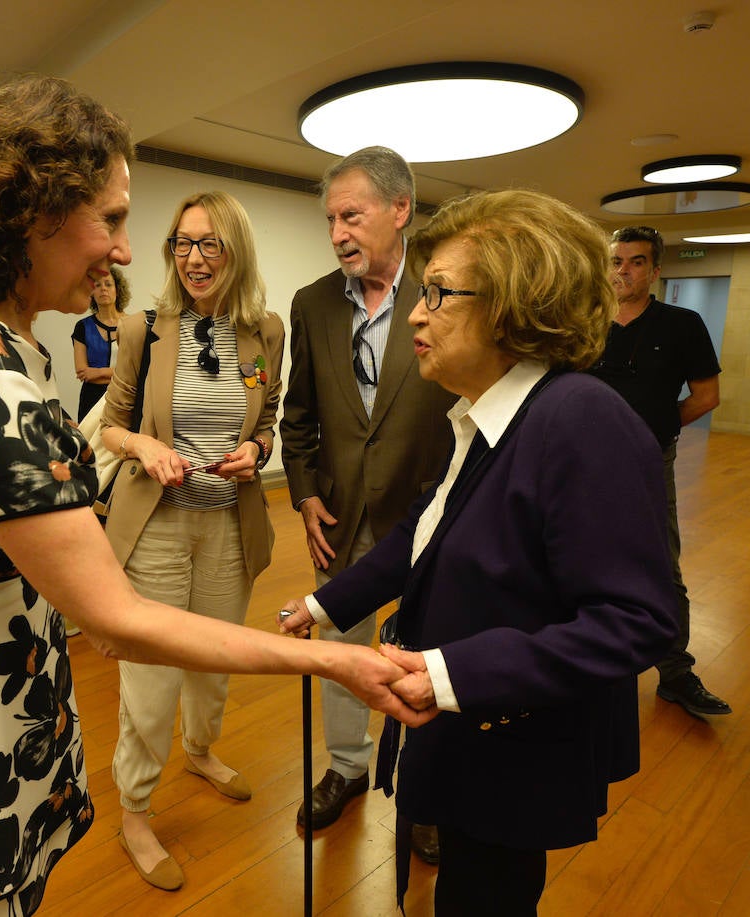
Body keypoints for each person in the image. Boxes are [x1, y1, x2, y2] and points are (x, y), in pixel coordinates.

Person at [0, 75, 428, 917]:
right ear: (32, 210)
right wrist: (336, 655)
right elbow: (116, 618)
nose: (124, 248)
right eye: (109, 219)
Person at [279, 189, 678, 914]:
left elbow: (640, 620)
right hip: (468, 729)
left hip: (514, 743)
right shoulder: (484, 413)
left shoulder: (581, 419)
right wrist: (321, 602)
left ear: (515, 304)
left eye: (437, 292)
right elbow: (423, 531)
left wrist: (445, 672)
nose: (416, 313)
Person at [97, 191, 285, 891]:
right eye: (183, 242)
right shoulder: (145, 328)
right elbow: (111, 424)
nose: (195, 258)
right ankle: (136, 808)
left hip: (229, 523)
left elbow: (268, 413)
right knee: (150, 678)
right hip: (158, 526)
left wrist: (258, 448)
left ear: (235, 252)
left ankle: (201, 751)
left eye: (210, 244)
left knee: (214, 662)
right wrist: (143, 444)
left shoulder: (267, 330)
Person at [280, 146, 454, 861]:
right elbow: (299, 416)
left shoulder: (446, 293)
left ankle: (426, 792)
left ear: (399, 210)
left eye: (350, 216)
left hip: (435, 517)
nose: (338, 233)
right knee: (343, 654)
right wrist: (305, 492)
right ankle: (347, 766)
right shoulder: (313, 303)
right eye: (330, 220)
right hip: (342, 520)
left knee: (430, 665)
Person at [589, 225, 731, 718]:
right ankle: (584, 660)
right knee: (574, 559)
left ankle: (674, 672)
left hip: (649, 464)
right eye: (615, 261)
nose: (622, 271)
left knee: (660, 567)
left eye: (635, 262)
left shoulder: (682, 324)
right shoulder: (583, 322)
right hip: (581, 465)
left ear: (655, 270)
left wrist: (652, 431)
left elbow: (706, 397)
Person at [70, 265, 128, 420]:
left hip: (124, 399)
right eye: (97, 285)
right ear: (91, 292)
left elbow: (132, 372)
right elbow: (83, 373)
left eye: (108, 284)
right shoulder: (82, 327)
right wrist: (116, 373)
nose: (103, 289)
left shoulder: (133, 324)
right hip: (91, 400)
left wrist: (98, 372)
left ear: (117, 289)